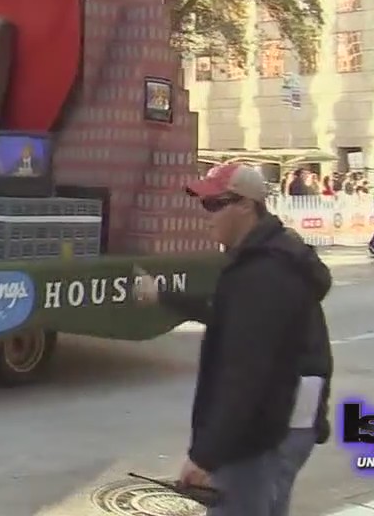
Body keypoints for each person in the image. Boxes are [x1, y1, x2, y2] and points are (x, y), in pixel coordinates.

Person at [135, 163, 332, 516]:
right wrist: (163, 296)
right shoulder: (269, 258)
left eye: (214, 205)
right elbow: (226, 313)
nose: (205, 216)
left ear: (245, 205)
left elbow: (245, 374)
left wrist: (206, 456)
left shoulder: (264, 272)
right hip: (286, 421)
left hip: (265, 429)